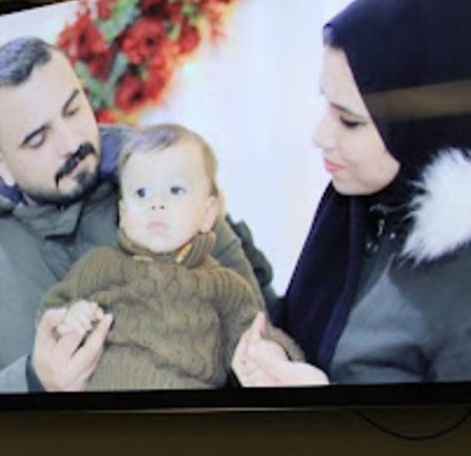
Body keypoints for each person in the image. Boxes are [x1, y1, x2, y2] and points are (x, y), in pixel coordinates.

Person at [0, 37, 266, 394]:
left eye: (73, 110)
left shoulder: (164, 183)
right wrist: (34, 380)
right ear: (1, 164)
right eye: (38, 139)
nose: (70, 143)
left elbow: (258, 345)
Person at [234, 0, 471, 387]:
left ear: (431, 122)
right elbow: (320, 332)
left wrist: (325, 411)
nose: (320, 136)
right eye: (328, 105)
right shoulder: (362, 205)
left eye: (350, 121)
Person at [41, 124, 300, 390]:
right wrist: (71, 317)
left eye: (176, 190)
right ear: (123, 213)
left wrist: (272, 353)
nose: (156, 204)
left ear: (209, 213)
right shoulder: (98, 266)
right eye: (141, 193)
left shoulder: (225, 286)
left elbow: (259, 334)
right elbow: (51, 313)